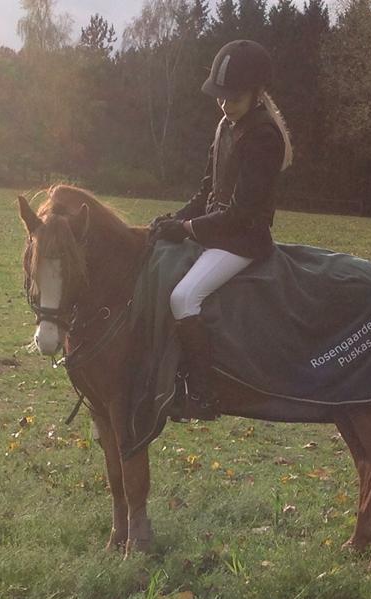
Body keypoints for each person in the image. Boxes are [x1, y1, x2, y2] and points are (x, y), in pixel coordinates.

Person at [151, 39, 293, 420]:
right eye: (221, 96)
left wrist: (187, 228)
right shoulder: (225, 126)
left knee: (184, 298)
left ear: (256, 92)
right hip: (216, 232)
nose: (225, 104)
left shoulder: (264, 136)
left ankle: (204, 392)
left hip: (242, 241)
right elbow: (206, 191)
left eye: (233, 97)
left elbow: (242, 211)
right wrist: (173, 219)